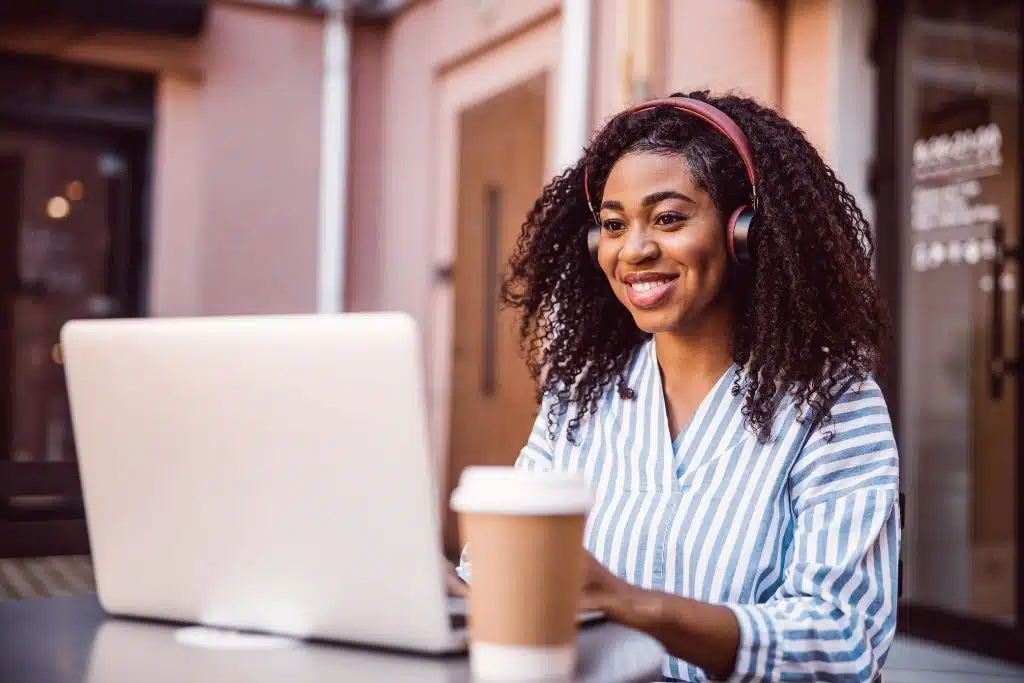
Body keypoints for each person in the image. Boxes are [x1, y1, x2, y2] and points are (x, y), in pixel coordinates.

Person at [452, 90, 901, 682]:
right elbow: (489, 574)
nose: (634, 250)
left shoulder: (833, 403)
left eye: (667, 218)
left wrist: (635, 605)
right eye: (614, 225)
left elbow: (844, 642)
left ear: (744, 231)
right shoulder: (582, 396)